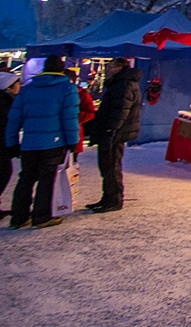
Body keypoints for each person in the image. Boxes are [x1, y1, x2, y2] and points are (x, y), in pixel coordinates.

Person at [4, 55, 80, 229]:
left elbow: (14, 119)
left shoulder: (28, 89)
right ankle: (41, 216)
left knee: (26, 178)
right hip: (53, 142)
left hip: (30, 142)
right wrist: (72, 142)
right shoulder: (66, 88)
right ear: (61, 69)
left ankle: (18, 216)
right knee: (47, 179)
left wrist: (11, 142)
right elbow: (69, 118)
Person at [86, 57, 141, 213]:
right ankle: (107, 197)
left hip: (115, 134)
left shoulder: (124, 86)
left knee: (112, 166)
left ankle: (114, 199)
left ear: (119, 68)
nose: (107, 70)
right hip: (111, 132)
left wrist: (111, 130)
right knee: (106, 166)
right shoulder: (119, 84)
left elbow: (120, 112)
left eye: (110, 67)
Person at [0, 70, 22, 220]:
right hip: (1, 144)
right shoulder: (5, 102)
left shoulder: (7, 100)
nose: (20, 85)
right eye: (17, 83)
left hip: (3, 143)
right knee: (3, 173)